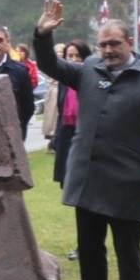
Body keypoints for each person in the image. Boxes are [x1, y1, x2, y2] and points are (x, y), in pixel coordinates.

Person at [34, 3, 140, 280]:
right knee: (90, 249)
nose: (108, 50)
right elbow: (48, 64)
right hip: (87, 178)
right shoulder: (88, 69)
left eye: (114, 43)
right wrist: (43, 34)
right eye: (103, 45)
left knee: (129, 254)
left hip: (127, 181)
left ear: (130, 42)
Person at [45, 39, 91, 187]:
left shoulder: (92, 79)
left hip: (85, 134)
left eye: (78, 55)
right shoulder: (63, 82)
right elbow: (60, 109)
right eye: (70, 56)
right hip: (66, 134)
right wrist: (56, 138)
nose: (73, 60)